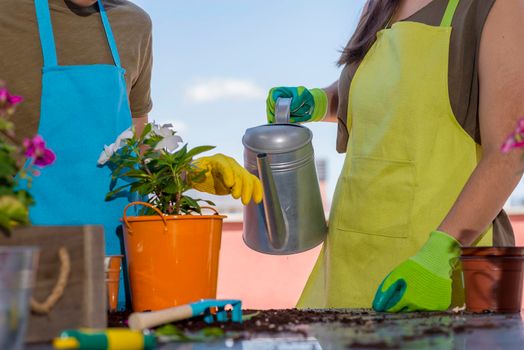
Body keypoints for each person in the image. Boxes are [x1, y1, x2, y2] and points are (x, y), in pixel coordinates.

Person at [266, 0, 524, 312]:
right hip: (353, 264)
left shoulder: (497, 5)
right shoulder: (379, 6)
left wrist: (439, 257)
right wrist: (320, 102)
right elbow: (380, 100)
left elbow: (511, 150)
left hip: (444, 272)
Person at [0, 0, 260, 300]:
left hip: (117, 269)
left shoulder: (134, 25)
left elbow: (135, 144)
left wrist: (186, 173)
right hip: (22, 272)